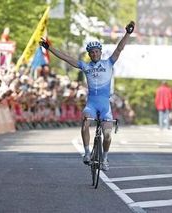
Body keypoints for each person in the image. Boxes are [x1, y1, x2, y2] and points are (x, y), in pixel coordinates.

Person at [39, 21, 135, 171]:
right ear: (89, 54)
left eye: (97, 51)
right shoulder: (86, 66)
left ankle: (104, 159)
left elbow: (119, 48)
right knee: (85, 121)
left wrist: (128, 33)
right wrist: (50, 48)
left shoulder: (109, 63)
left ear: (100, 52)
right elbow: (66, 58)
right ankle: (87, 153)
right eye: (92, 52)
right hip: (91, 104)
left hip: (105, 106)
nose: (95, 54)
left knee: (108, 134)